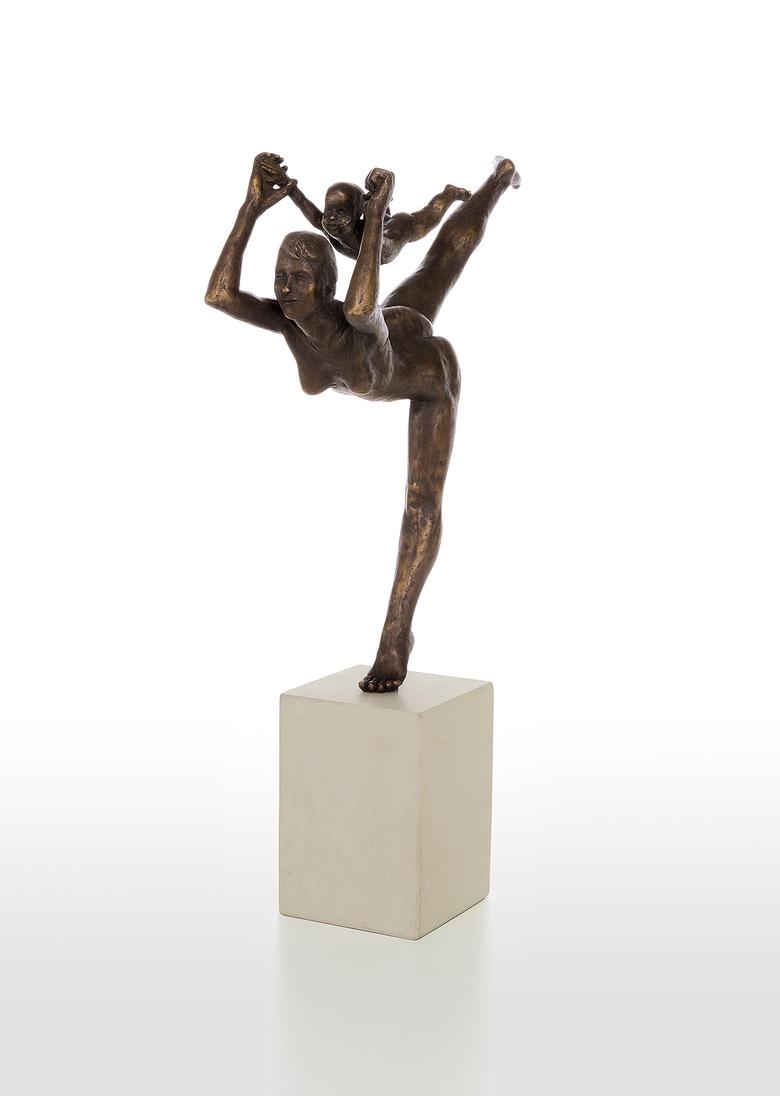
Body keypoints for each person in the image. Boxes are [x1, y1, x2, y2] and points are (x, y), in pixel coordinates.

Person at [205, 154, 520, 691]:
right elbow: (219, 295)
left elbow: (362, 307)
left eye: (299, 278)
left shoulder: (356, 316)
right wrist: (251, 208)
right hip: (398, 321)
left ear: (325, 285)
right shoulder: (289, 322)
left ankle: (396, 635)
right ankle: (501, 175)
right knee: (439, 265)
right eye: (281, 277)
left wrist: (375, 216)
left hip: (429, 373)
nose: (285, 288)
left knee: (420, 503)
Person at [255, 152, 471, 264]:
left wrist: (380, 199)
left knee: (427, 218)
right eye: (329, 211)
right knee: (374, 214)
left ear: (357, 215)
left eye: (340, 212)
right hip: (373, 219)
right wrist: (285, 181)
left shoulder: (382, 233)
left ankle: (450, 193)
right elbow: (305, 205)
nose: (331, 219)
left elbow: (375, 222)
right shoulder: (329, 226)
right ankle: (379, 207)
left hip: (389, 238)